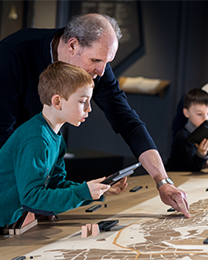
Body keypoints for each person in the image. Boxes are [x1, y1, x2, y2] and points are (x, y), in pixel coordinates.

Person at [0, 13, 190, 217]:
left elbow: (127, 121)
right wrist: (24, 206)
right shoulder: (13, 53)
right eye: (96, 60)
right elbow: (3, 133)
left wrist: (162, 181)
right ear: (72, 46)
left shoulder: (97, 70)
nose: (102, 71)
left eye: (107, 62)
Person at [0, 61, 130, 227]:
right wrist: (83, 192)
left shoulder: (55, 137)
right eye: (83, 101)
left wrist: (96, 190)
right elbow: (32, 198)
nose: (89, 108)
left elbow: (55, 185)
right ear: (57, 102)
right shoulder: (36, 139)